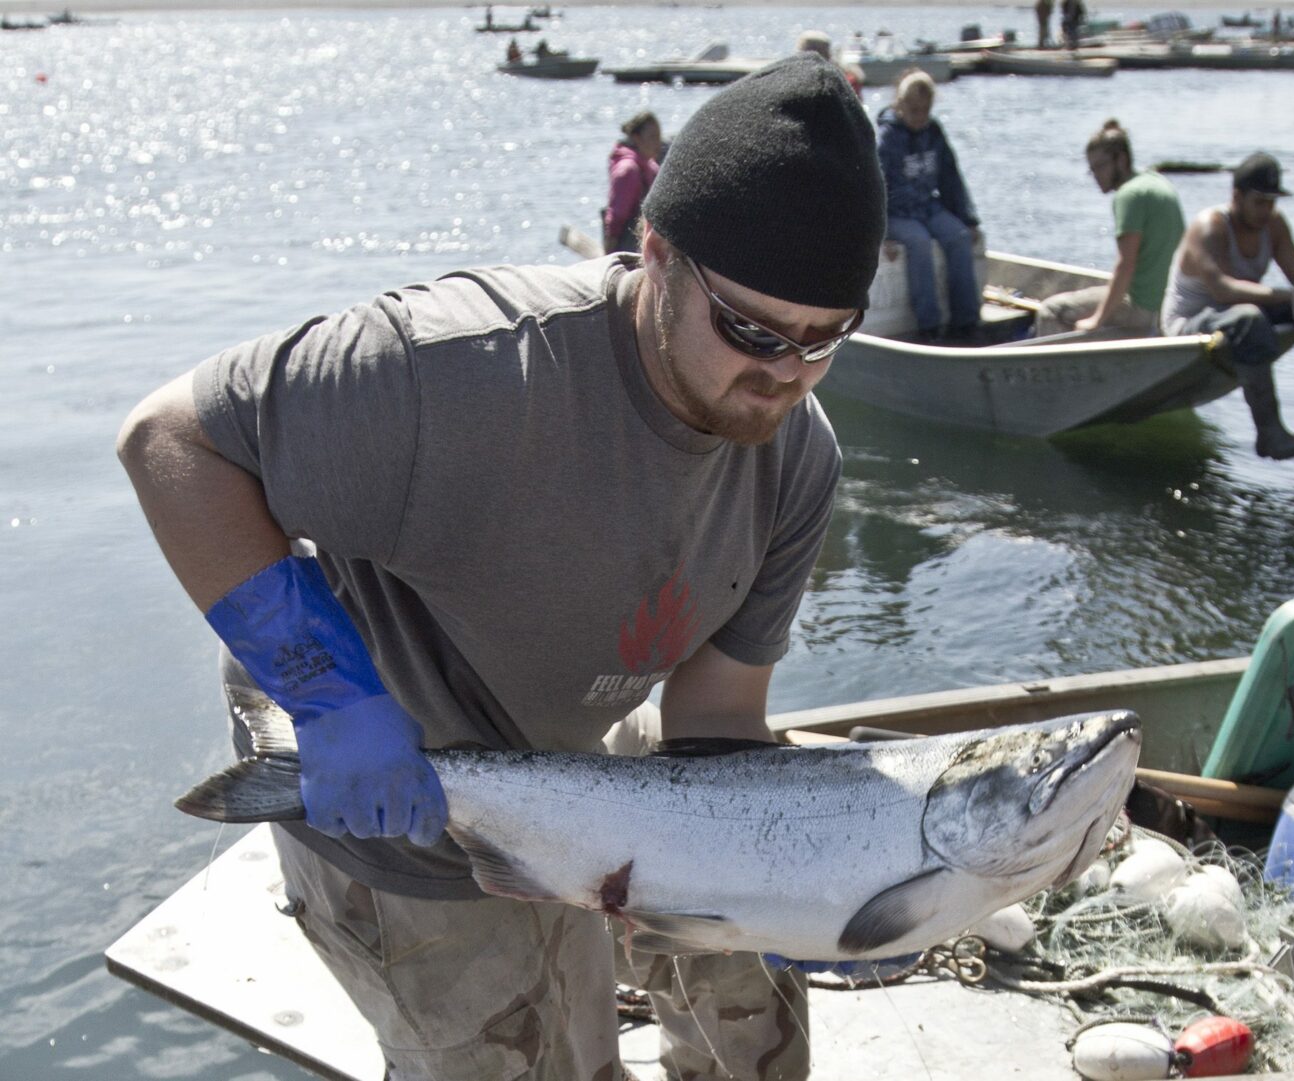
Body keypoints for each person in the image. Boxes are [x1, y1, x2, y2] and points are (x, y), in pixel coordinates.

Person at [116, 53, 887, 1081]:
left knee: (761, 1034)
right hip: (393, 791)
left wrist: (780, 889)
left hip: (576, 748)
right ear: (653, 250)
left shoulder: (798, 454)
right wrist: (331, 700)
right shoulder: (464, 372)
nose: (786, 374)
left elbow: (716, 718)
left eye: (825, 338)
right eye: (749, 329)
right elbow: (172, 442)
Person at [1160, 152, 1294, 459]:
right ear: (1236, 197)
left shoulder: (1274, 225)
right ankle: (1269, 434)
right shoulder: (1210, 227)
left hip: (1238, 313)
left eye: (1272, 202)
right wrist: (1285, 296)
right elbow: (1223, 289)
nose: (1266, 210)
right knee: (1249, 318)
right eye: (1259, 202)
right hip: (1188, 323)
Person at [1035, 120, 1185, 338]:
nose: (1096, 175)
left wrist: (1097, 320)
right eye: (1092, 169)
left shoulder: (1129, 195)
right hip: (1170, 303)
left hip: (1143, 308)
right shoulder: (1157, 183)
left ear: (1121, 160)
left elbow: (1125, 264)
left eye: (1100, 166)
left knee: (1050, 310)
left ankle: (1058, 370)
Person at [877, 70, 983, 343]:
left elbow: (950, 177)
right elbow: (874, 188)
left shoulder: (933, 132)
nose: (920, 117)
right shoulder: (887, 138)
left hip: (927, 205)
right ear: (900, 106)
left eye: (925, 110)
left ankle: (966, 319)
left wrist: (968, 218)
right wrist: (881, 234)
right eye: (913, 110)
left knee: (958, 236)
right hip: (896, 212)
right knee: (919, 242)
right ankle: (929, 323)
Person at [602, 110, 661, 254]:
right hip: (628, 249)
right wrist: (608, 253)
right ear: (636, 138)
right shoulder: (628, 170)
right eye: (652, 137)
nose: (658, 143)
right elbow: (617, 217)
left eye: (659, 137)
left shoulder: (651, 167)